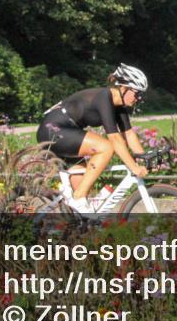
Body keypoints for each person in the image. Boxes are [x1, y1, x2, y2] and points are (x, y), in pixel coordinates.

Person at [37, 63, 150, 213]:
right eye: (137, 93)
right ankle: (78, 197)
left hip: (66, 133)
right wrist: (134, 167)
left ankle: (74, 224)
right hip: (53, 129)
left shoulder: (119, 106)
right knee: (105, 147)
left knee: (83, 201)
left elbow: (128, 134)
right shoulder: (104, 97)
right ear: (123, 87)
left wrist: (143, 157)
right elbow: (115, 139)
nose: (139, 98)